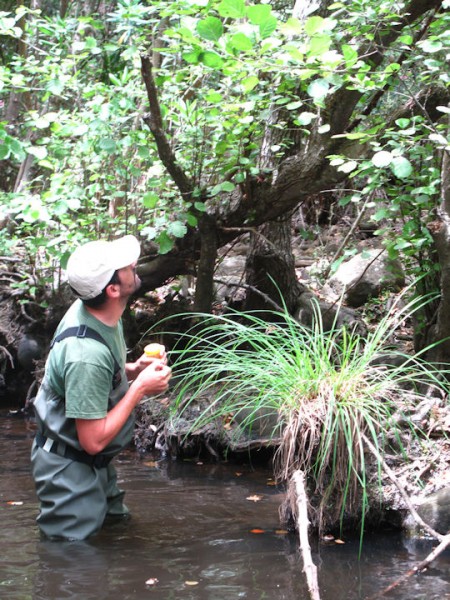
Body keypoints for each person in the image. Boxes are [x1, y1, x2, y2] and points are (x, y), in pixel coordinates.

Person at [31, 234, 172, 540]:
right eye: (125, 266)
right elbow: (93, 440)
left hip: (91, 464)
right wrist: (139, 390)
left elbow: (102, 374)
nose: (133, 264)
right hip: (69, 467)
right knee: (71, 562)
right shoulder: (86, 355)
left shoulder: (105, 314)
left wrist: (133, 371)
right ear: (112, 289)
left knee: (119, 534)